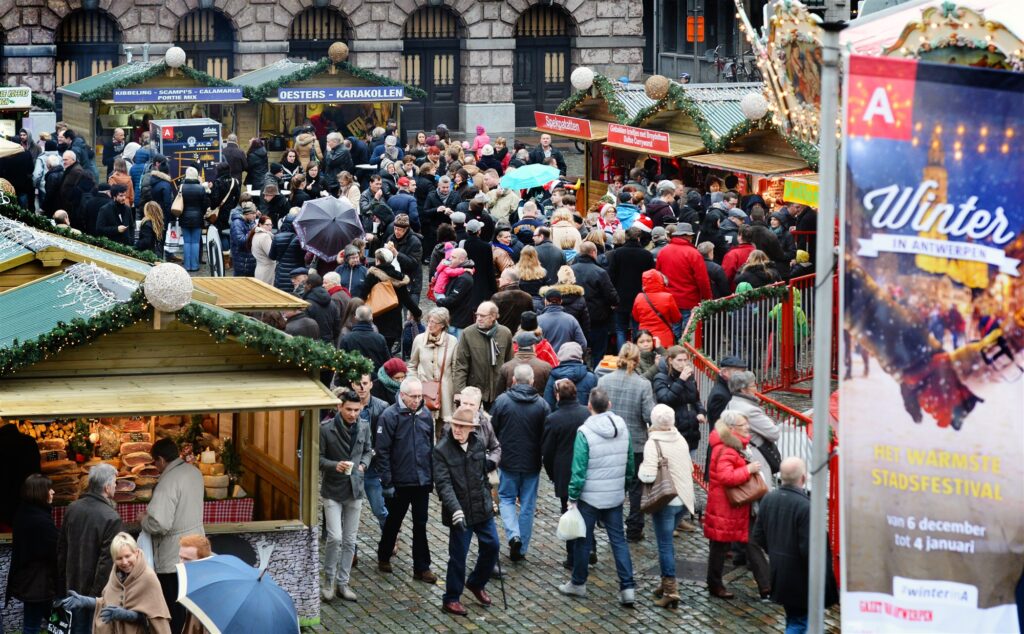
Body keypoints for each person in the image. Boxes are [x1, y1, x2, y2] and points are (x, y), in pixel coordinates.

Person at [558, 388, 636, 606]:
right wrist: (625, 486)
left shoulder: (584, 432)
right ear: (609, 405)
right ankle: (627, 587)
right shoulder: (622, 427)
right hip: (615, 495)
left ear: (589, 406)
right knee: (618, 540)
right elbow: (629, 462)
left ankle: (578, 582)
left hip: (590, 497)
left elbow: (579, 468)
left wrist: (572, 496)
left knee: (583, 539)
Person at [753, 457, 838, 633]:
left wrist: (776, 551)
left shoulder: (769, 500)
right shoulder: (806, 507)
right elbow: (811, 550)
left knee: (794, 618)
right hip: (802, 579)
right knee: (800, 622)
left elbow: (758, 535)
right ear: (803, 478)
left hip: (780, 572)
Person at [434, 407, 501, 616]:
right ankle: (451, 598)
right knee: (458, 556)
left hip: (481, 509)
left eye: (462, 426)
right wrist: (456, 510)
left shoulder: (478, 444)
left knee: (493, 545)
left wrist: (490, 500)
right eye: (455, 425)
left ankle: (476, 583)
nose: (458, 430)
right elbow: (444, 485)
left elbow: (482, 477)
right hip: (460, 512)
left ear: (472, 428)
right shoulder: (441, 450)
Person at [376, 378, 437, 582]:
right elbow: (382, 451)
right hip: (400, 481)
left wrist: (431, 477)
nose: (417, 400)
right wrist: (387, 482)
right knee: (394, 521)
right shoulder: (390, 416)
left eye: (420, 396)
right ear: (403, 395)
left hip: (421, 481)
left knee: (421, 523)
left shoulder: (426, 415)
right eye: (414, 396)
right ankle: (384, 555)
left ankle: (422, 567)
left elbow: (430, 447)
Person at [704, 411, 771, 600]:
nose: (747, 428)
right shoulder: (726, 449)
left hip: (736, 506)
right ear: (732, 429)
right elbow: (726, 477)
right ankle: (715, 584)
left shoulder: (732, 446)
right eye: (743, 426)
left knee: (749, 543)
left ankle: (766, 587)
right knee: (720, 547)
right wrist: (748, 469)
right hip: (727, 507)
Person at [140, 438, 204, 634]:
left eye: (154, 462)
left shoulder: (168, 481)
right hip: (195, 551)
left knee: (173, 611)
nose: (155, 467)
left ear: (160, 459)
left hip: (173, 557)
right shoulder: (194, 472)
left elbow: (159, 523)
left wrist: (143, 519)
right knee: (190, 609)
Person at [638, 404, 696, 609]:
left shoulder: (653, 443)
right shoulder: (680, 439)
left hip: (666, 500)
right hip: (684, 500)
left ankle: (671, 589)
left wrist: (640, 469)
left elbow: (648, 475)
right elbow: (689, 467)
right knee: (666, 543)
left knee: (665, 545)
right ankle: (664, 583)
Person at [490, 364, 550, 562]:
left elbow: (493, 431)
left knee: (506, 499)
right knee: (527, 504)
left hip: (507, 461)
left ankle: (513, 534)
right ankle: (521, 546)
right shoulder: (542, 405)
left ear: (513, 381)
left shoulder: (502, 401)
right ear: (532, 381)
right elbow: (546, 435)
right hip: (532, 463)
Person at [596, 343, 655, 542]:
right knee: (637, 487)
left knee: (613, 482)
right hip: (636, 442)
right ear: (638, 360)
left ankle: (610, 521)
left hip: (609, 440)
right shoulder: (643, 384)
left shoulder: (604, 381)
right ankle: (634, 528)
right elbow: (648, 414)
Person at [59, 532, 172, 634]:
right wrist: (84, 601)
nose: (124, 562)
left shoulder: (148, 577)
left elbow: (156, 617)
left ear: (136, 553)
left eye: (128, 556)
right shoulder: (116, 574)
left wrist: (128, 615)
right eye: (119, 558)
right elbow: (107, 602)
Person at [320, 388, 373, 602]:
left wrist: (363, 465)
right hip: (333, 489)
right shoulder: (325, 429)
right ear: (339, 407)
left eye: (356, 410)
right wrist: (335, 466)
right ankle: (328, 582)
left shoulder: (364, 427)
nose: (353, 414)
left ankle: (343, 583)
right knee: (335, 537)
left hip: (355, 489)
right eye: (349, 409)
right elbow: (317, 458)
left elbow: (368, 451)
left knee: (350, 540)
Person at [57, 464, 123, 634]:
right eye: (115, 483)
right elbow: (107, 562)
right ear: (107, 487)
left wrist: (62, 581)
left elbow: (62, 549)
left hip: (71, 586)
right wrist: (96, 597)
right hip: (93, 593)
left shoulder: (73, 508)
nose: (116, 486)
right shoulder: (111, 517)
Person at [540, 379, 595, 569]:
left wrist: (552, 474)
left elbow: (547, 451)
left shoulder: (554, 419)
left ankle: (572, 557)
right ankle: (590, 548)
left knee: (569, 512)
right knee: (587, 510)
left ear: (557, 395)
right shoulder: (586, 413)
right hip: (587, 469)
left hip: (564, 473)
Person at [8, 474, 59, 634]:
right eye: (49, 489)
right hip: (40, 584)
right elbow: (55, 550)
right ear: (39, 492)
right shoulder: (40, 520)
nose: (53, 492)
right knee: (41, 625)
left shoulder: (25, 512)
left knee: (46, 622)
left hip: (32, 581)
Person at [348, 373, 390, 531]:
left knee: (379, 508)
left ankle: (390, 536)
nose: (361, 387)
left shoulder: (382, 407)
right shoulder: (348, 406)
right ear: (352, 384)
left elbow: (385, 437)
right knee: (350, 511)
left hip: (373, 467)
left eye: (365, 383)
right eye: (358, 383)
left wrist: (376, 453)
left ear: (371, 384)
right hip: (353, 465)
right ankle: (352, 549)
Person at [452, 301, 513, 409]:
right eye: (477, 315)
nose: (478, 318)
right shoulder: (468, 333)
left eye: (482, 316)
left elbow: (509, 364)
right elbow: (461, 365)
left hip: (497, 390)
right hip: (474, 389)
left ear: (493, 316)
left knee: (494, 424)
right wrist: (459, 391)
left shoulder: (505, 333)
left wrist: (509, 390)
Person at [727, 370, 781, 492]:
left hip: (742, 454)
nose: (756, 389)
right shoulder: (750, 410)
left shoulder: (731, 403)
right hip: (755, 456)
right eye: (753, 385)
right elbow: (774, 433)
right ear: (743, 390)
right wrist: (770, 421)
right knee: (760, 490)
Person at [359, 247, 422, 351]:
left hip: (376, 320)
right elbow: (407, 300)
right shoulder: (399, 277)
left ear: (378, 260)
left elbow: (362, 295)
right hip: (394, 324)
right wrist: (417, 313)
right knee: (386, 350)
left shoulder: (372, 275)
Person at [571, 241, 619, 366]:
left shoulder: (571, 270)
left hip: (577, 317)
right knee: (599, 352)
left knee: (578, 350)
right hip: (598, 318)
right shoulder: (600, 272)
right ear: (593, 253)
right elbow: (611, 295)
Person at [408, 307, 459, 424]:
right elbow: (412, 365)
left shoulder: (452, 341)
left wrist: (456, 392)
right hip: (423, 391)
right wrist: (414, 384)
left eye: (433, 322)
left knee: (444, 427)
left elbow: (455, 369)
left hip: (445, 392)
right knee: (423, 425)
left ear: (442, 325)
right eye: (429, 321)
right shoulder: (419, 340)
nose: (429, 325)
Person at [606, 226, 655, 347]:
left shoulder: (617, 254)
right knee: (637, 329)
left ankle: (623, 355)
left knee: (620, 329)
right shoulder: (646, 255)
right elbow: (651, 276)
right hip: (640, 297)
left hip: (620, 296)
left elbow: (611, 275)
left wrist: (612, 297)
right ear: (639, 238)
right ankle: (637, 354)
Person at [655, 223, 711, 324]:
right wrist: (707, 299)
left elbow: (658, 276)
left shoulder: (663, 252)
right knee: (689, 334)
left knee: (673, 333)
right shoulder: (694, 254)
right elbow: (702, 280)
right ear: (688, 236)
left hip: (669, 299)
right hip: (689, 300)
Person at [633, 269, 683, 351]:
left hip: (644, 339)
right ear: (660, 280)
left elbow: (636, 317)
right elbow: (676, 318)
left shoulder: (639, 297)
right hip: (664, 340)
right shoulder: (667, 297)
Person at [542, 341, 596, 409]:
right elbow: (596, 405)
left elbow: (548, 405)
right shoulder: (591, 377)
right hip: (585, 417)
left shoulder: (553, 377)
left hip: (559, 418)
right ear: (580, 356)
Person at [178, 167, 210, 272]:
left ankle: (187, 265)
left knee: (187, 242)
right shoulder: (200, 188)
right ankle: (195, 265)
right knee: (195, 242)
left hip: (184, 218)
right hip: (197, 218)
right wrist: (201, 212)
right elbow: (205, 204)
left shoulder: (181, 187)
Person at [340, 305, 390, 371]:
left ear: (356, 318)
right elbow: (387, 362)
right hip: (376, 378)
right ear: (371, 318)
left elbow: (342, 364)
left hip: (354, 379)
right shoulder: (380, 338)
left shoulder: (346, 339)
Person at [536, 288, 586, 354]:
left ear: (545, 301)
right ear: (561, 301)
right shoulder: (571, 319)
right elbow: (582, 343)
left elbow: (533, 344)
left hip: (545, 361)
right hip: (565, 361)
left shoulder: (538, 320)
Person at [491, 268, 534, 334]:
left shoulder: (497, 297)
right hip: (521, 336)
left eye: (501, 277)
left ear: (508, 280)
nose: (499, 279)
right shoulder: (528, 297)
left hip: (502, 336)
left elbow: (491, 319)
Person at [229, 200, 258, 277]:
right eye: (253, 213)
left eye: (255, 213)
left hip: (248, 260)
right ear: (246, 213)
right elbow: (240, 241)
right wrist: (253, 231)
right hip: (242, 261)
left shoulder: (250, 221)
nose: (255, 215)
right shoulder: (237, 223)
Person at [249, 214, 276, 284]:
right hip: (266, 270)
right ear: (260, 225)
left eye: (271, 225)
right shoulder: (265, 236)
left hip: (260, 268)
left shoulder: (256, 234)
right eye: (267, 225)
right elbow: (271, 255)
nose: (270, 227)